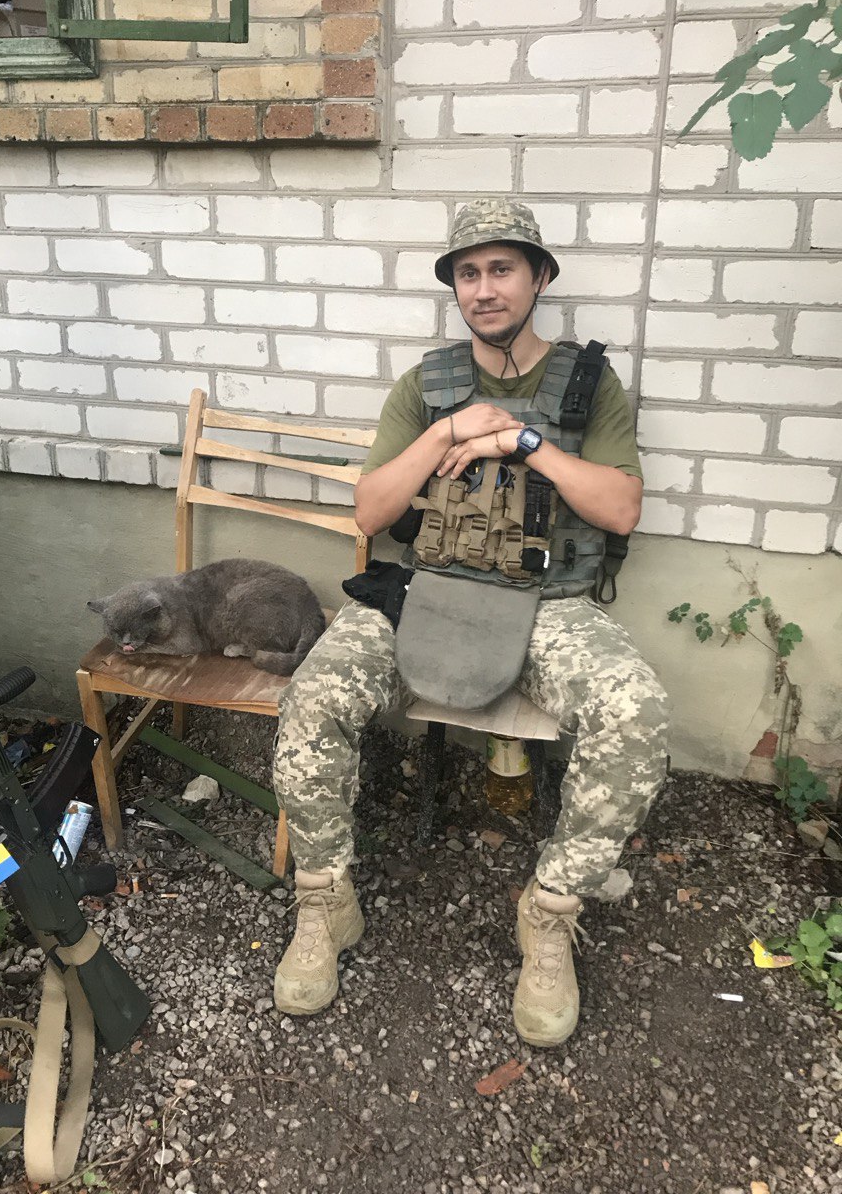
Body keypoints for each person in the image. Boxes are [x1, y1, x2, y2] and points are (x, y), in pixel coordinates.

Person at [272, 199, 669, 1047]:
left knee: (633, 712)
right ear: (454, 287)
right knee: (313, 700)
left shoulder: (588, 384)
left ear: (539, 278)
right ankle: (324, 903)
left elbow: (622, 509)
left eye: (502, 269)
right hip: (428, 592)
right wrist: (454, 428)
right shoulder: (428, 385)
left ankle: (551, 911)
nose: (484, 289)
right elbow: (372, 509)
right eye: (468, 273)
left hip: (550, 606)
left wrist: (521, 442)